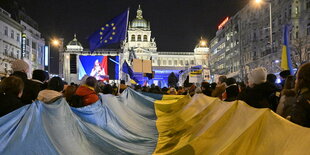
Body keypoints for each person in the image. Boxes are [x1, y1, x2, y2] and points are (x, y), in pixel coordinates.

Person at [288, 63, 310, 127]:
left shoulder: (302, 102)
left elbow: (298, 127)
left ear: (302, 80)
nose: (295, 81)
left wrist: (290, 120)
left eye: (297, 77)